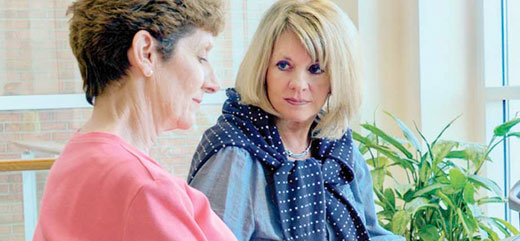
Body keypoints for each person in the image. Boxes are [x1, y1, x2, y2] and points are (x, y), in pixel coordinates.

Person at [187, 0, 404, 240]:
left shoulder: (342, 152)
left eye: (316, 69)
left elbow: (371, 234)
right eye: (284, 65)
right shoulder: (233, 155)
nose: (298, 85)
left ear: (337, 79)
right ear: (263, 69)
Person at [34, 0, 237, 240]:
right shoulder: (146, 188)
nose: (213, 83)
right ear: (145, 53)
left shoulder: (70, 164)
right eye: (201, 56)